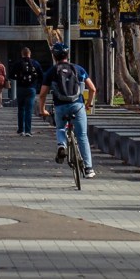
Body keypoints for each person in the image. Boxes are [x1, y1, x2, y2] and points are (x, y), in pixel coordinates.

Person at [36, 42, 96, 179]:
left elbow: (43, 94)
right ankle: (88, 168)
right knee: (82, 135)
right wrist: (89, 104)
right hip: (77, 105)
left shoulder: (51, 71)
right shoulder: (78, 69)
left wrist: (42, 110)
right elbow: (92, 89)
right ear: (68, 55)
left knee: (60, 128)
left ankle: (61, 145)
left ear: (54, 56)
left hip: (60, 107)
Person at [10, 47, 44, 136]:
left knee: (21, 109)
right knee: (29, 110)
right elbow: (41, 76)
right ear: (30, 54)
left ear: (22, 54)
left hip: (20, 88)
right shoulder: (35, 63)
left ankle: (21, 130)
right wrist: (36, 84)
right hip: (31, 88)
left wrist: (18, 78)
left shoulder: (18, 63)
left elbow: (11, 75)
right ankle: (28, 131)